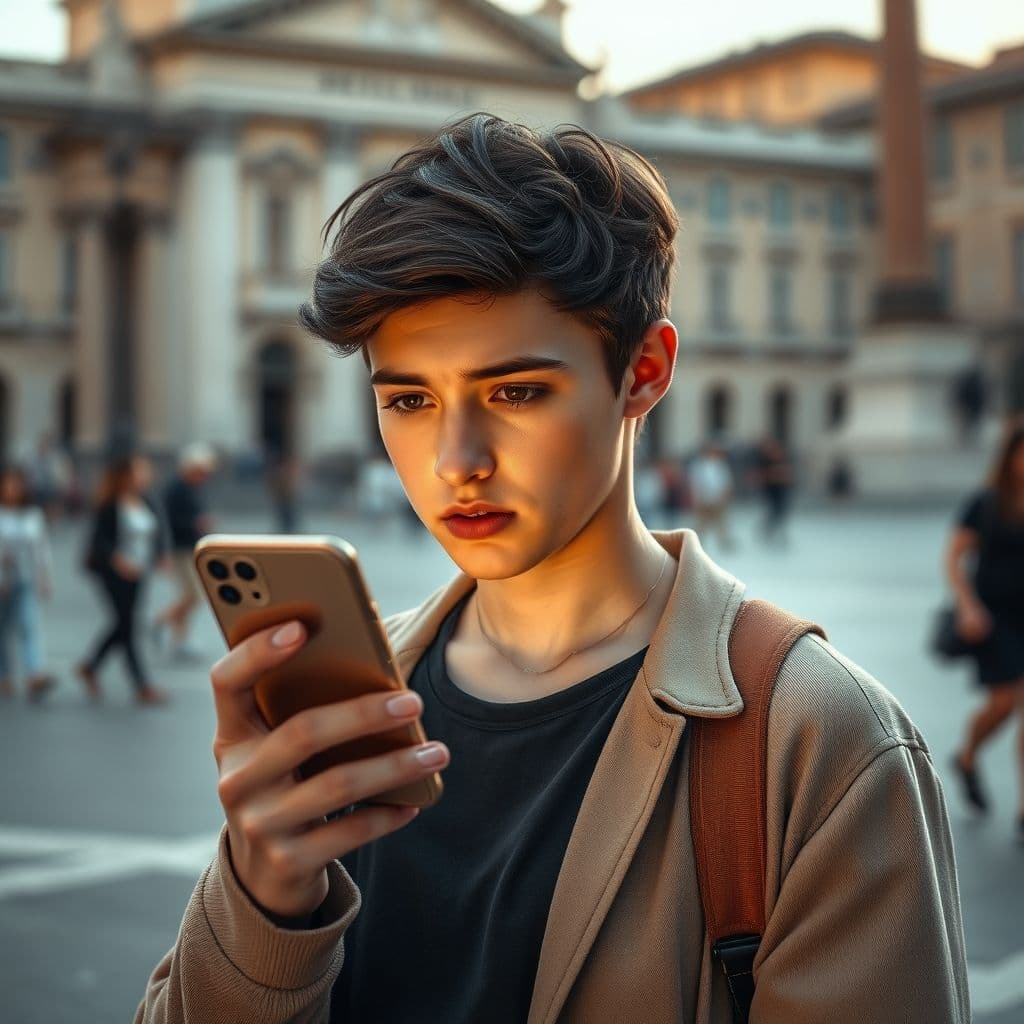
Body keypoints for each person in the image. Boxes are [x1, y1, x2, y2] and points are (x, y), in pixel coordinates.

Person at [137, 114, 968, 1023]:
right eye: (409, 399)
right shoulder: (347, 703)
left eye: (516, 392)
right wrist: (263, 901)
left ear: (643, 371)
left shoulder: (818, 741)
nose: (457, 459)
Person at [948, 420, 1024, 842]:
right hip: (994, 619)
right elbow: (954, 557)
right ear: (1010, 456)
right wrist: (967, 604)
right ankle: (968, 756)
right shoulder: (986, 502)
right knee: (1003, 703)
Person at [79, 454, 169, 706]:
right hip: (114, 573)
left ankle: (90, 665)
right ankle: (142, 685)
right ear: (126, 475)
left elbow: (157, 529)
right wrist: (118, 560)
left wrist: (161, 554)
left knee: (123, 623)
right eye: (140, 471)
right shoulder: (110, 504)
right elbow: (100, 541)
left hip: (139, 571)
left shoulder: (147, 500)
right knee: (127, 626)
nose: (145, 475)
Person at [152, 443, 217, 660]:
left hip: (191, 547)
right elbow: (166, 521)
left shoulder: (192, 488)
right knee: (194, 595)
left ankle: (180, 639)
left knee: (188, 594)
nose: (204, 477)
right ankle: (161, 621)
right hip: (179, 549)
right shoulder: (176, 489)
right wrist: (194, 524)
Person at [0, 464, 56, 701]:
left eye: (16, 484)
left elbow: (41, 548)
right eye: (7, 484)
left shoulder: (32, 515)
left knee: (28, 625)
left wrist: (45, 576)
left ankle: (34, 673)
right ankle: (4, 675)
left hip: (25, 577)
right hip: (1, 580)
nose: (12, 489)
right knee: (2, 629)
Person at [687, 440, 735, 550]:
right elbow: (694, 482)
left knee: (721, 521)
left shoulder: (721, 465)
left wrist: (725, 495)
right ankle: (695, 542)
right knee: (701, 522)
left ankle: (724, 542)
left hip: (718, 499)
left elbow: (726, 481)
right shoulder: (699, 465)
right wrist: (695, 497)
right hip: (704, 499)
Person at [753, 433, 795, 545]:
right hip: (771, 491)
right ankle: (768, 531)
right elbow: (761, 475)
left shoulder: (784, 459)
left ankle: (777, 533)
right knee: (773, 512)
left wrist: (783, 476)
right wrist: (774, 475)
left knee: (781, 512)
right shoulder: (765, 460)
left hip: (782, 490)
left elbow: (789, 474)